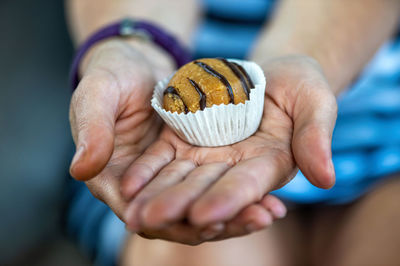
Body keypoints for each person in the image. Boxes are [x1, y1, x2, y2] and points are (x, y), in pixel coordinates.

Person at [66, 0, 400, 265]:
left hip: (382, 129)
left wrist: (298, 58)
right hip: (156, 131)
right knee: (190, 253)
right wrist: (138, 44)